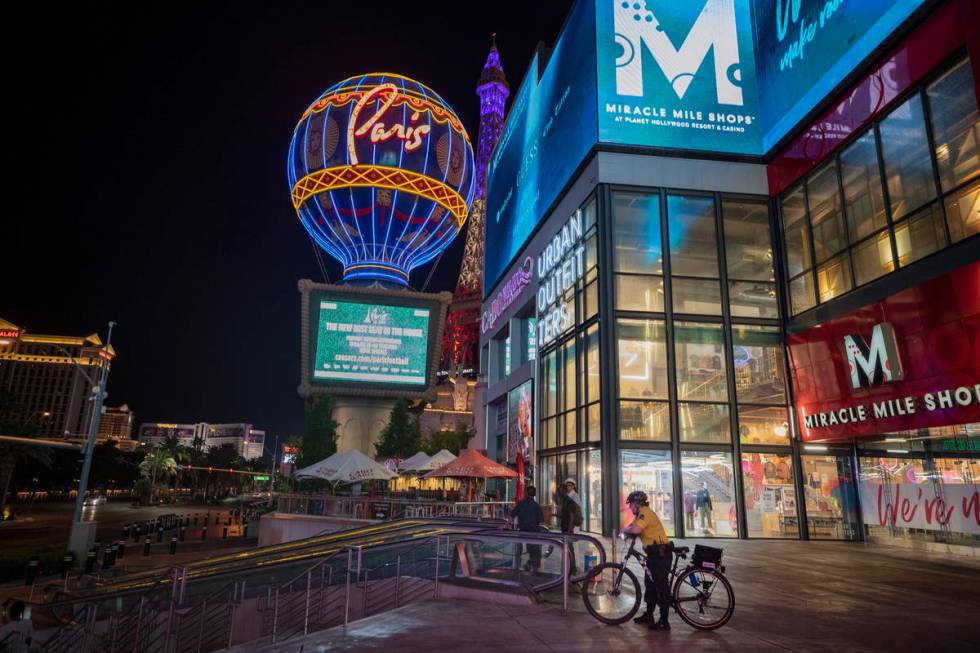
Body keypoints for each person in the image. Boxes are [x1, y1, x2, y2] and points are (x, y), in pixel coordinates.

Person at [621, 490, 671, 631]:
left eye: (631, 505)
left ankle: (664, 621)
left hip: (660, 554)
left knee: (661, 586)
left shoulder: (645, 513)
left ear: (637, 504)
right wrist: (626, 530)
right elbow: (632, 526)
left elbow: (635, 529)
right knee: (650, 585)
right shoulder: (639, 515)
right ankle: (649, 615)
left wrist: (625, 531)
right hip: (653, 553)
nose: (630, 508)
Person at [510, 486, 543, 572]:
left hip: (522, 532)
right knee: (534, 550)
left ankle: (519, 566)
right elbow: (541, 520)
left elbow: (512, 515)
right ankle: (533, 567)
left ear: (526, 493)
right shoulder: (536, 506)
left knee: (521, 550)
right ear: (535, 494)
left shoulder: (520, 504)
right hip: (534, 532)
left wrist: (505, 525)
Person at [557, 485, 582, 575]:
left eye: (561, 490)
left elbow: (571, 516)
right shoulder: (565, 501)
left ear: (564, 491)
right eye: (559, 491)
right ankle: (569, 567)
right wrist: (554, 515)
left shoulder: (568, 501)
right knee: (568, 549)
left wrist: (569, 530)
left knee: (570, 549)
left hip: (567, 530)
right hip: (566, 528)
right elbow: (565, 516)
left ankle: (572, 569)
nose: (559, 493)